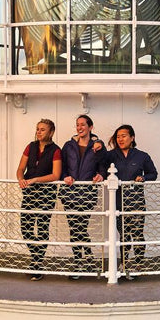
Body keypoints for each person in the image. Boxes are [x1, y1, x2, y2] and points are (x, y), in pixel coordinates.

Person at [105, 124, 158, 280]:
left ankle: (139, 262)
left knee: (137, 233)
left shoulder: (142, 156)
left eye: (124, 136)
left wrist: (143, 178)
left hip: (136, 202)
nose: (120, 139)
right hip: (118, 203)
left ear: (132, 137)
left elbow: (153, 174)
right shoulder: (111, 156)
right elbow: (100, 163)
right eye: (118, 136)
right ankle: (125, 263)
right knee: (123, 234)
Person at [60, 115, 106, 278]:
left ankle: (84, 261)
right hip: (69, 193)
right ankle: (83, 261)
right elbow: (62, 167)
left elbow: (103, 167)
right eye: (77, 125)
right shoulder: (68, 146)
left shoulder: (98, 146)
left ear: (90, 127)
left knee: (80, 226)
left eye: (83, 125)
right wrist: (65, 176)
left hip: (87, 194)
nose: (79, 128)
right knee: (75, 228)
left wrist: (100, 176)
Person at [16, 119, 62, 281]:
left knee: (42, 227)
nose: (39, 132)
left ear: (51, 132)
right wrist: (21, 179)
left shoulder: (56, 150)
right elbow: (21, 168)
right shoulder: (31, 146)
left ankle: (37, 263)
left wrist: (35, 179)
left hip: (47, 193)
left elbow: (56, 175)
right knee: (26, 226)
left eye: (43, 129)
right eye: (37, 129)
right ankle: (36, 258)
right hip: (29, 192)